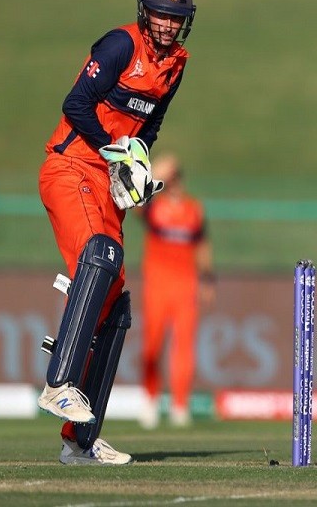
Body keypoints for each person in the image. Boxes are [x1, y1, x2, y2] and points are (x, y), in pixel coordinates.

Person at [36, 0, 196, 465]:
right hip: (70, 167)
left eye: (176, 18)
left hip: (105, 182)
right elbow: (76, 103)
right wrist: (114, 153)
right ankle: (59, 379)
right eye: (161, 15)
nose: (167, 26)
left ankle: (79, 441)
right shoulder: (118, 47)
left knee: (116, 306)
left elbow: (151, 126)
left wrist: (139, 166)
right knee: (99, 255)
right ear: (145, 13)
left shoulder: (176, 64)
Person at [138, 154, 215, 429]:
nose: (174, 185)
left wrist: (207, 278)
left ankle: (180, 405)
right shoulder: (154, 207)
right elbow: (135, 203)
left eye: (175, 178)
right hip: (157, 284)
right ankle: (150, 400)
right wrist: (154, 173)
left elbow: (202, 244)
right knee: (153, 345)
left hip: (185, 285)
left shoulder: (194, 209)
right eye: (169, 180)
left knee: (184, 348)